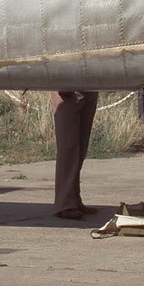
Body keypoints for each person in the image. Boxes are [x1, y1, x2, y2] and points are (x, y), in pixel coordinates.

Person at [52, 90, 98, 220]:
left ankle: (74, 200)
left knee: (81, 144)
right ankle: (65, 204)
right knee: (68, 146)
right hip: (68, 84)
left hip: (89, 83)